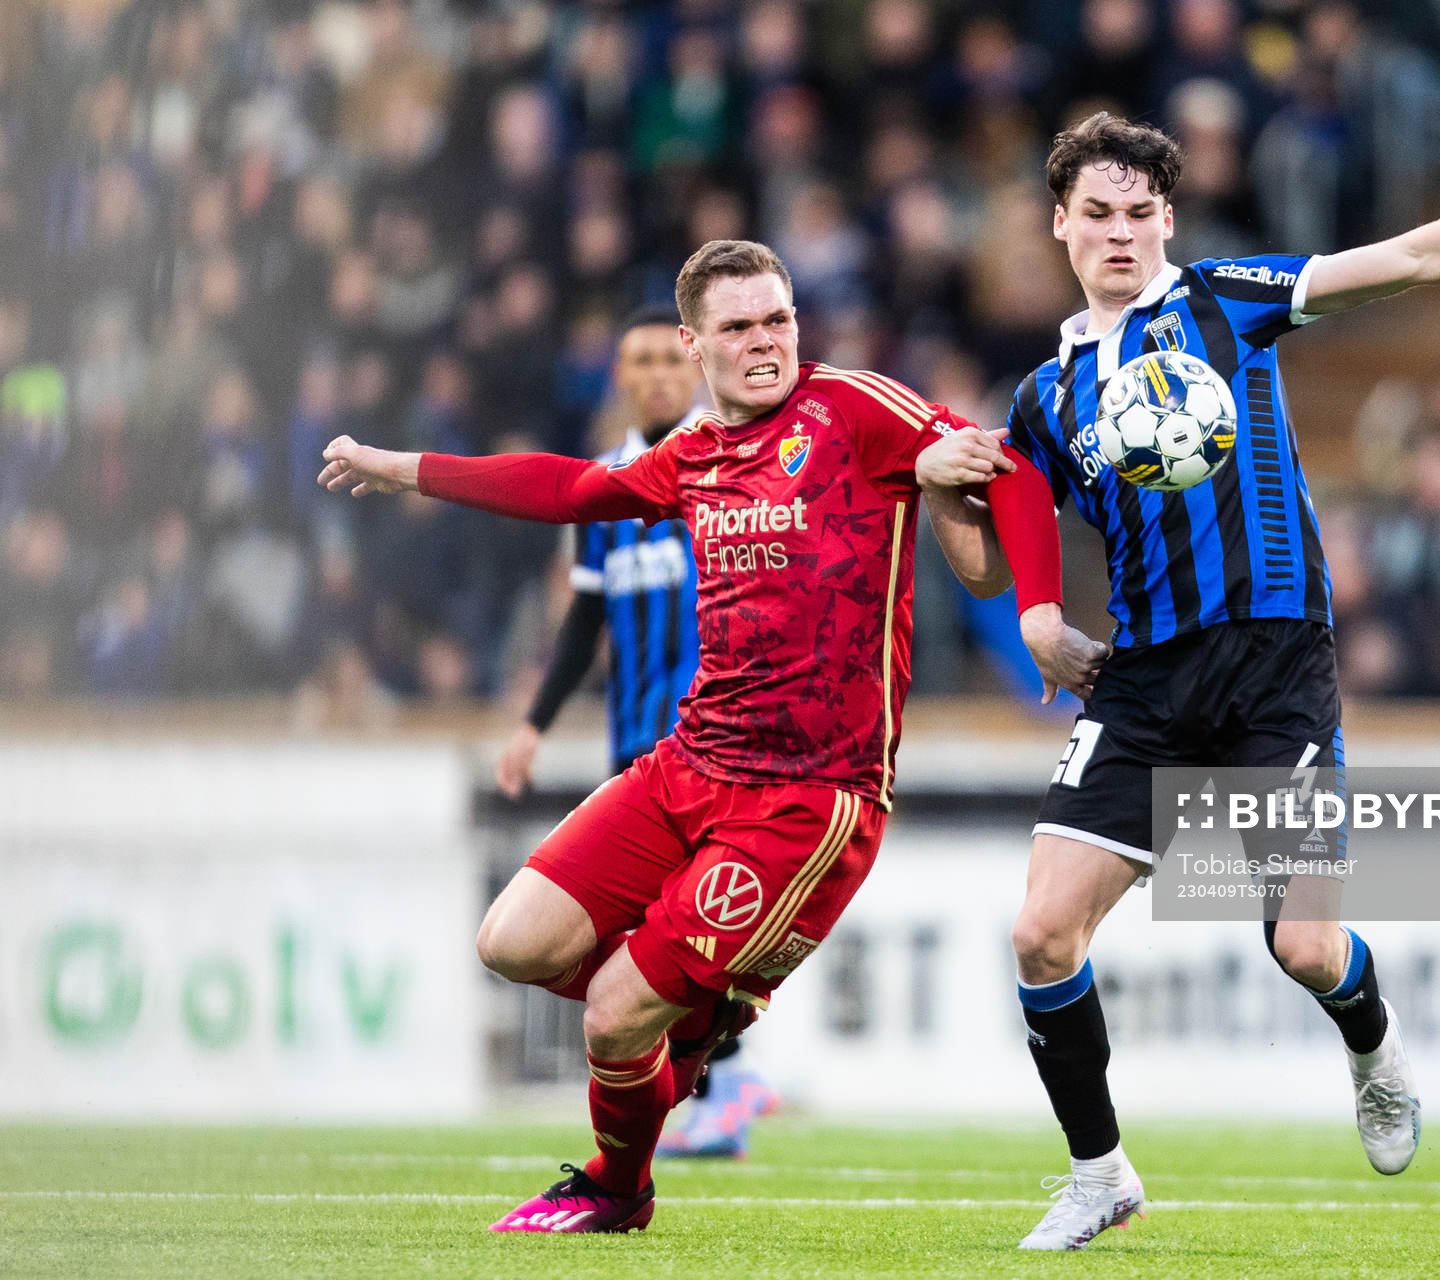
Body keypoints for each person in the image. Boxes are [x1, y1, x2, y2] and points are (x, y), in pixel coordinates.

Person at [919, 113, 1440, 1249]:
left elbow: (1413, 259)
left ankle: (1373, 1048)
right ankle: (1101, 1173)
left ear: (1167, 220)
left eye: (1140, 213)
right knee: (1039, 932)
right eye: (1099, 215)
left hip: (1276, 662)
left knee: (1305, 947)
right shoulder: (1046, 395)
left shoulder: (1229, 298)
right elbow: (996, 539)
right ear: (1062, 227)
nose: (1121, 233)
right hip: (1145, 679)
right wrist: (958, 513)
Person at [320, 239, 1101, 1232]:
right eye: (738, 327)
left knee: (613, 1011)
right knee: (511, 941)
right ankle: (701, 1011)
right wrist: (403, 468)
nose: (765, 341)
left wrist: (1039, 616)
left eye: (777, 318)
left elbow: (1013, 470)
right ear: (695, 345)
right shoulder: (691, 455)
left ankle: (618, 1185)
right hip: (688, 764)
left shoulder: (855, 410)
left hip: (811, 797)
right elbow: (565, 489)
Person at [493, 305, 775, 1160]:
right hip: (637, 754)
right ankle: (718, 1083)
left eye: (668, 357)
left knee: (701, 922)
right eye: (638, 359)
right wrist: (533, 726)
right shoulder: (603, 490)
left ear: (692, 368)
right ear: (620, 374)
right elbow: (586, 622)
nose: (655, 372)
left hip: (722, 748)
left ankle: (728, 1082)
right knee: (647, 932)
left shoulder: (727, 468)